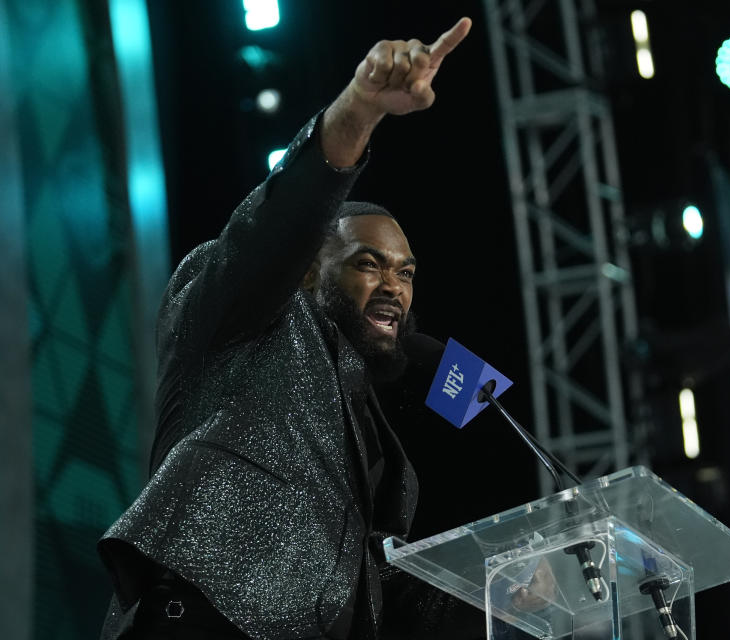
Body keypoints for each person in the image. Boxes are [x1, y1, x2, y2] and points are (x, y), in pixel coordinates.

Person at [97, 17, 481, 640]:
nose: (394, 287)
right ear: (306, 273)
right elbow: (276, 228)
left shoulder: (373, 441)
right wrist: (359, 109)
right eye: (368, 264)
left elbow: (373, 600)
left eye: (406, 274)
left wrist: (498, 585)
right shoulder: (237, 319)